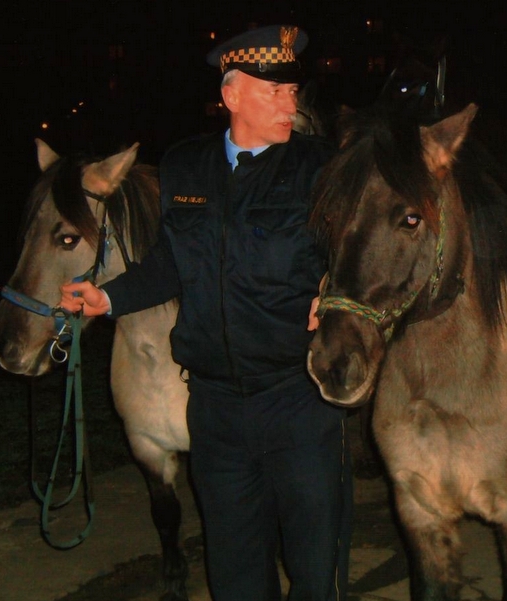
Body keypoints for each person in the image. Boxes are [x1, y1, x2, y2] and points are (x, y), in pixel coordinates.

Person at [60, 24, 352, 601]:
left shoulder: (322, 166)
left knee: (317, 571)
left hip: (297, 399)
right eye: (274, 91)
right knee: (236, 573)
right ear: (232, 94)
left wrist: (335, 290)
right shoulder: (187, 166)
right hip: (215, 410)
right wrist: (109, 296)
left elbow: (361, 248)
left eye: (293, 91)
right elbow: (174, 258)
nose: (290, 103)